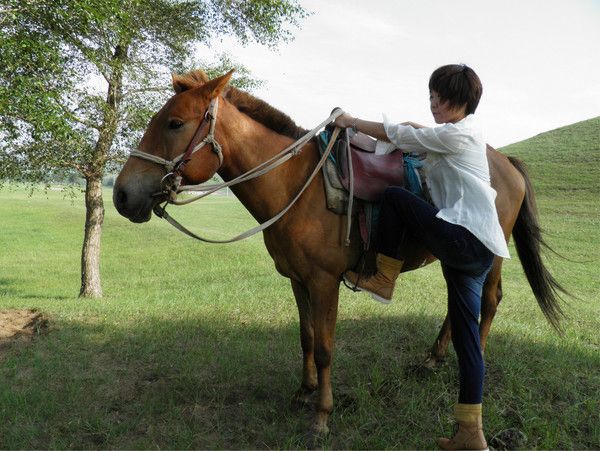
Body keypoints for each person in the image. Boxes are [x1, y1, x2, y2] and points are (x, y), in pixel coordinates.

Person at [333, 64, 509, 450]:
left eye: (435, 97)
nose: (431, 103)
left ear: (454, 100)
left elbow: (401, 135)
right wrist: (417, 129)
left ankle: (383, 277)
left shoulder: (458, 134)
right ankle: (470, 434)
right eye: (431, 96)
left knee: (396, 197)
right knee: (466, 341)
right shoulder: (462, 133)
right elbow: (420, 136)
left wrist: (350, 120)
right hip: (479, 250)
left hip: (463, 239)